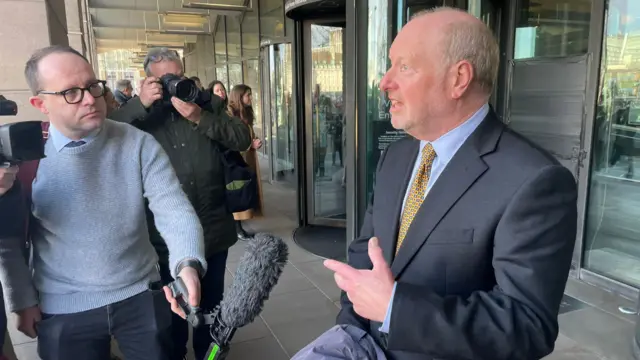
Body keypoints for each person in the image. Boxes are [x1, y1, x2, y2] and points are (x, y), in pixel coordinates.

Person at [323, 7, 578, 360]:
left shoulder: (534, 181)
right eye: (390, 64)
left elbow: (527, 325)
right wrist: (349, 331)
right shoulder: (395, 157)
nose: (385, 82)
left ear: (459, 78)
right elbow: (367, 250)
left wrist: (396, 310)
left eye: (405, 66)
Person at [0, 45, 207, 360]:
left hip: (141, 294)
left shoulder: (137, 143)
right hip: (63, 307)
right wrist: (23, 300)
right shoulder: (26, 158)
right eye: (71, 92)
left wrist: (187, 263)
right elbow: (10, 240)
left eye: (93, 86)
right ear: (40, 103)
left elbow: (173, 210)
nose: (89, 99)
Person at [109, 47, 252, 360]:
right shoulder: (139, 116)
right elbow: (105, 138)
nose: (172, 83)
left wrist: (200, 117)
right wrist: (139, 104)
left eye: (177, 76)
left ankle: (208, 354)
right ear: (148, 80)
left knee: (211, 304)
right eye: (163, 79)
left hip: (212, 229)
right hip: (162, 238)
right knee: (170, 311)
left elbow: (242, 137)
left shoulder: (204, 103)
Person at [227, 84, 264, 241]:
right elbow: (232, 141)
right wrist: (250, 145)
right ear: (239, 97)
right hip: (237, 160)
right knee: (239, 191)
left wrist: (253, 141)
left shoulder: (246, 113)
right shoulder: (230, 116)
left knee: (245, 189)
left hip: (247, 158)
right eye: (248, 95)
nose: (251, 98)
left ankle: (238, 226)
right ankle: (237, 228)